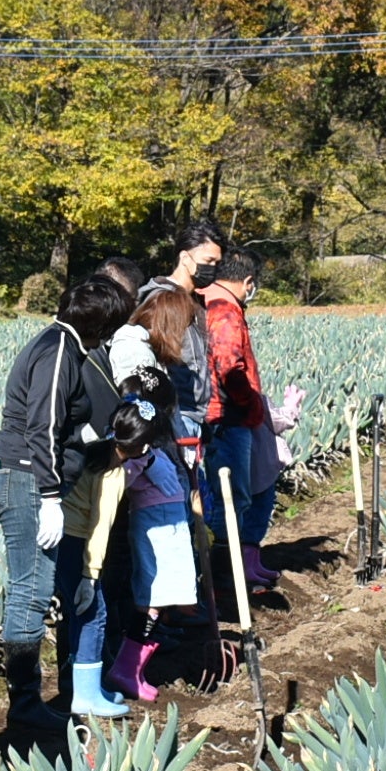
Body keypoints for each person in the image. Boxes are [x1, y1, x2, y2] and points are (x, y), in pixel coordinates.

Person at [0, 273, 132, 730]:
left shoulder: (61, 345)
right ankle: (25, 704)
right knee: (31, 591)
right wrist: (50, 494)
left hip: (24, 474)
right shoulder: (58, 351)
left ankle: (27, 700)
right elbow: (42, 427)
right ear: (102, 325)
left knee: (33, 588)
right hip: (25, 478)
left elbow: (61, 424)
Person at [107, 385, 198, 702]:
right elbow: (120, 486)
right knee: (152, 595)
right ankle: (127, 668)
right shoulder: (135, 462)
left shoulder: (151, 455)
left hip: (169, 527)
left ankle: (134, 668)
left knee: (164, 595)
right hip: (154, 528)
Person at [201, 249, 280, 597]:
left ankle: (235, 569)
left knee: (233, 496)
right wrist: (250, 403)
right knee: (232, 499)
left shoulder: (209, 301)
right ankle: (224, 579)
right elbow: (228, 367)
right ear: (247, 282)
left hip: (225, 416)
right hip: (228, 418)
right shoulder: (225, 311)